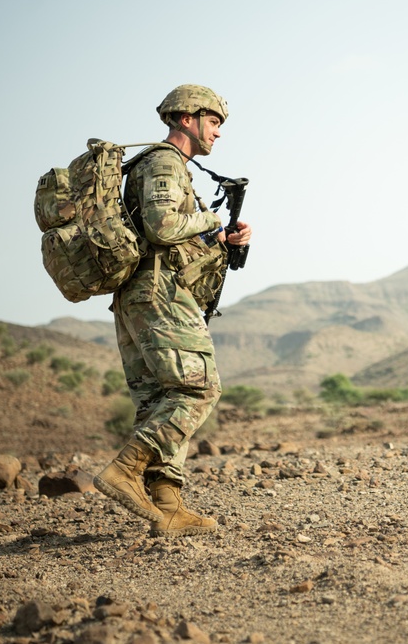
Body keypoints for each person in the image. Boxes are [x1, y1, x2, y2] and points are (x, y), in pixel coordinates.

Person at [94, 84, 252, 538]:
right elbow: (163, 228)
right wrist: (212, 221)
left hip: (138, 294)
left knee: (158, 401)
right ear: (187, 118)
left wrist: (219, 241)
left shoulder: (165, 167)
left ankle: (166, 505)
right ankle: (124, 470)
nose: (218, 133)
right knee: (198, 387)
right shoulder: (164, 162)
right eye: (215, 121)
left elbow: (164, 235)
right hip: (158, 292)